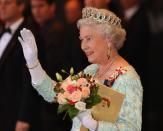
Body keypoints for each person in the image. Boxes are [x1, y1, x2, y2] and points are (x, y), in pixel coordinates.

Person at [18, 7, 143, 131]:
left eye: (89, 38)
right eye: (82, 40)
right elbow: (55, 93)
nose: (83, 46)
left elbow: (132, 128)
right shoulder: (92, 70)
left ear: (108, 39)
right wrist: (33, 63)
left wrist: (95, 126)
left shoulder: (128, 79)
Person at [0, 0, 44, 130]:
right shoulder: (3, 32)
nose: (2, 7)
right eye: (0, 3)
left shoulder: (30, 35)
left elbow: (32, 80)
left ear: (21, 6)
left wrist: (24, 118)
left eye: (7, 3)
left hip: (15, 114)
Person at [30, 0, 71, 130]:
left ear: (52, 7)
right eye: (33, 7)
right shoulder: (38, 30)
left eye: (41, 6)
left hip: (53, 100)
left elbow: (52, 67)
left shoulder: (58, 31)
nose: (36, 11)